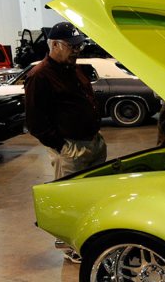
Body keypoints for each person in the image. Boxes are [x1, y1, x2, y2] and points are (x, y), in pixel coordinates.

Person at [24, 22, 107, 263]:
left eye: (79, 45)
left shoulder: (73, 69)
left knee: (91, 196)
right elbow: (36, 122)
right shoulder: (39, 76)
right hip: (71, 148)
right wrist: (62, 147)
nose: (77, 50)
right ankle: (71, 246)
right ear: (55, 45)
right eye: (72, 46)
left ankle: (87, 239)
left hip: (92, 144)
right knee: (71, 200)